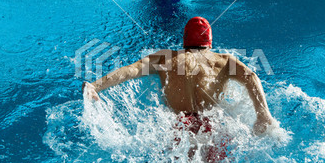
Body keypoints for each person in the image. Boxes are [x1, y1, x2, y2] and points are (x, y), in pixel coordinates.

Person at [82, 16, 275, 137]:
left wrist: (95, 86)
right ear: (210, 42)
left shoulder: (165, 58)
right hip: (212, 125)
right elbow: (251, 78)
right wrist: (263, 114)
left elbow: (130, 70)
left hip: (180, 126)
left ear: (184, 40)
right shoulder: (224, 60)